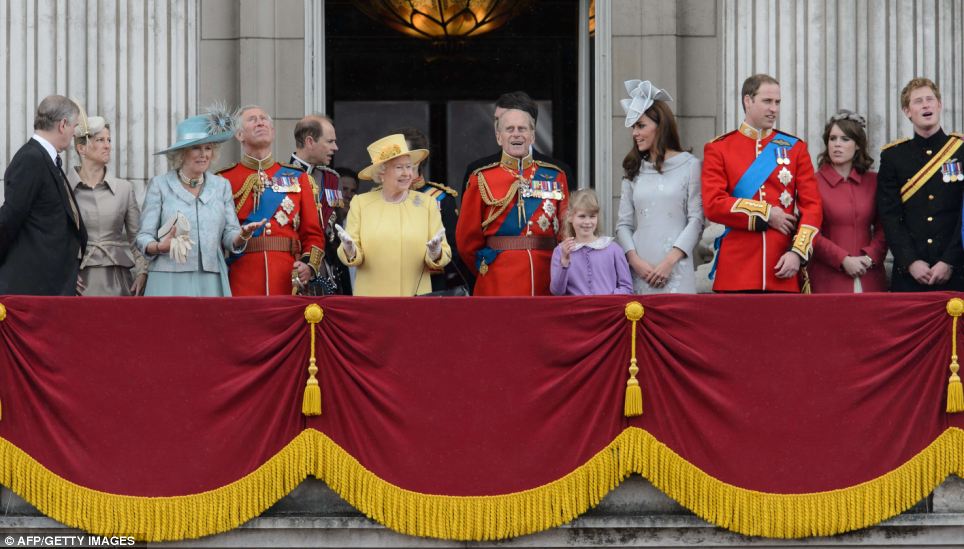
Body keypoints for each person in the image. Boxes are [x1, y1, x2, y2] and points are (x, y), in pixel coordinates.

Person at [702, 74, 822, 293]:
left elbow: (812, 207)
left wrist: (797, 253)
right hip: (737, 273)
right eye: (767, 101)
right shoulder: (719, 148)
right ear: (748, 101)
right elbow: (713, 204)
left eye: (777, 102)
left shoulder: (795, 148)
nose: (774, 109)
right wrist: (766, 213)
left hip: (783, 268)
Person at [137, 109, 265, 296]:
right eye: (196, 148)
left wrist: (242, 235)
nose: (203, 154)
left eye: (208, 148)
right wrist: (159, 246)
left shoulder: (221, 186)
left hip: (210, 279)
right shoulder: (160, 185)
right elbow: (143, 236)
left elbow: (230, 234)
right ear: (182, 153)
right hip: (168, 277)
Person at [456, 106, 569, 296]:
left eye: (522, 129)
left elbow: (566, 231)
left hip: (547, 277)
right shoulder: (481, 178)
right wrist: (487, 268)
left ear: (532, 136)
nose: (516, 134)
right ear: (499, 137)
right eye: (510, 129)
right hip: (498, 280)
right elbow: (467, 241)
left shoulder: (555, 176)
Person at [218, 105, 326, 296]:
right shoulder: (223, 179)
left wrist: (309, 266)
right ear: (239, 135)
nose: (260, 122)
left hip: (287, 277)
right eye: (252, 119)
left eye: (264, 119)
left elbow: (313, 233)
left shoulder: (298, 177)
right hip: (240, 276)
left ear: (273, 131)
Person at [615, 79, 703, 294]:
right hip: (639, 272)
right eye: (633, 126)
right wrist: (634, 260)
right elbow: (623, 225)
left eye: (641, 125)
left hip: (676, 270)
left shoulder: (690, 165)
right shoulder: (633, 168)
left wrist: (669, 262)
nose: (635, 133)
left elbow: (697, 220)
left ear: (660, 126)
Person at [335, 134, 451, 296]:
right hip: (373, 301)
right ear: (381, 172)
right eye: (399, 167)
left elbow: (445, 254)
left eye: (409, 166)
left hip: (415, 300)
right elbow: (353, 256)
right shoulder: (361, 203)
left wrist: (435, 252)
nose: (407, 173)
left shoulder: (427, 204)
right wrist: (350, 249)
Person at [877, 77, 964, 291]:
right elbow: (889, 215)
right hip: (910, 275)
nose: (925, 105)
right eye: (918, 101)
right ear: (907, 111)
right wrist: (910, 261)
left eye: (930, 99)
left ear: (939, 105)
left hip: (957, 269)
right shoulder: (893, 156)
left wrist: (949, 261)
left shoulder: (960, 150)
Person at [0, 95, 87, 295]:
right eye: (74, 126)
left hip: (51, 283)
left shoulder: (46, 158)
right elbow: (10, 218)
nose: (75, 133)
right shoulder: (31, 159)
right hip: (33, 285)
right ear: (63, 125)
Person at [68, 115, 149, 296]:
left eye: (109, 140)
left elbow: (137, 239)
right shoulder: (63, 188)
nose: (107, 146)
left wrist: (143, 272)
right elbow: (54, 238)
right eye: (100, 140)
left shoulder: (124, 189)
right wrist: (64, 273)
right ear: (81, 148)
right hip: (78, 283)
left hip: (117, 282)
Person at [810, 110, 887, 293]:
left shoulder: (874, 181)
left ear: (858, 145)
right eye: (832, 138)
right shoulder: (813, 182)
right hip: (827, 279)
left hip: (870, 276)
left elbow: (885, 228)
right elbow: (809, 232)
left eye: (845, 139)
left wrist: (869, 258)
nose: (837, 145)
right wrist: (842, 259)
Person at [396, 127, 470, 293]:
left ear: (420, 158)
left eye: (404, 153)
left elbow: (454, 251)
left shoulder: (440, 198)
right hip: (390, 283)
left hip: (431, 285)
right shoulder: (379, 196)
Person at [460, 91, 575, 195]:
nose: (496, 126)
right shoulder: (477, 173)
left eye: (503, 119)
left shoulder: (558, 172)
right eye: (496, 120)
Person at [289, 113, 349, 295]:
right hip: (296, 268)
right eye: (330, 141)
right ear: (309, 141)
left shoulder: (332, 179)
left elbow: (336, 230)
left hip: (329, 271)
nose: (335, 147)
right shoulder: (280, 177)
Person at [551, 189, 632, 296]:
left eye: (592, 216)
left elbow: (627, 288)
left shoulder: (613, 249)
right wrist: (564, 262)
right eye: (582, 216)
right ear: (570, 217)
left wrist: (609, 299)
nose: (587, 222)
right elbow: (557, 292)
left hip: (607, 310)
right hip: (577, 311)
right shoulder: (561, 251)